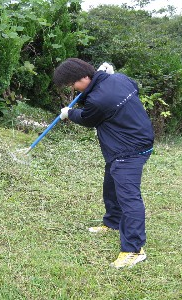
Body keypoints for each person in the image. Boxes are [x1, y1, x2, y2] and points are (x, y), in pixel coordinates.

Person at [53, 58, 155, 269]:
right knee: (111, 183)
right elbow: (132, 87)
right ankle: (112, 222)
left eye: (73, 84)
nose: (73, 88)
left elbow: (89, 118)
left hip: (130, 148)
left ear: (84, 77)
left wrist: (69, 113)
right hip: (126, 143)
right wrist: (106, 77)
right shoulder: (119, 79)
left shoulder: (99, 99)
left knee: (129, 197)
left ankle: (134, 250)